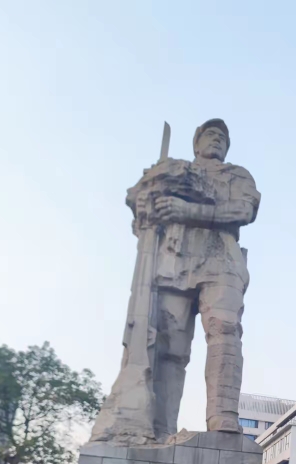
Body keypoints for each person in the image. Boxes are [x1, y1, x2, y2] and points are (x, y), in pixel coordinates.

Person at [91, 119, 261, 442]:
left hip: (222, 259)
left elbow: (243, 211)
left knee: (224, 329)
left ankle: (223, 415)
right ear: (196, 143)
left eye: (222, 137)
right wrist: (147, 199)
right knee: (170, 346)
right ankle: (159, 429)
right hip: (175, 260)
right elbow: (139, 203)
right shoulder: (173, 171)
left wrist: (187, 210)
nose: (217, 140)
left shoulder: (237, 175)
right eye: (210, 134)